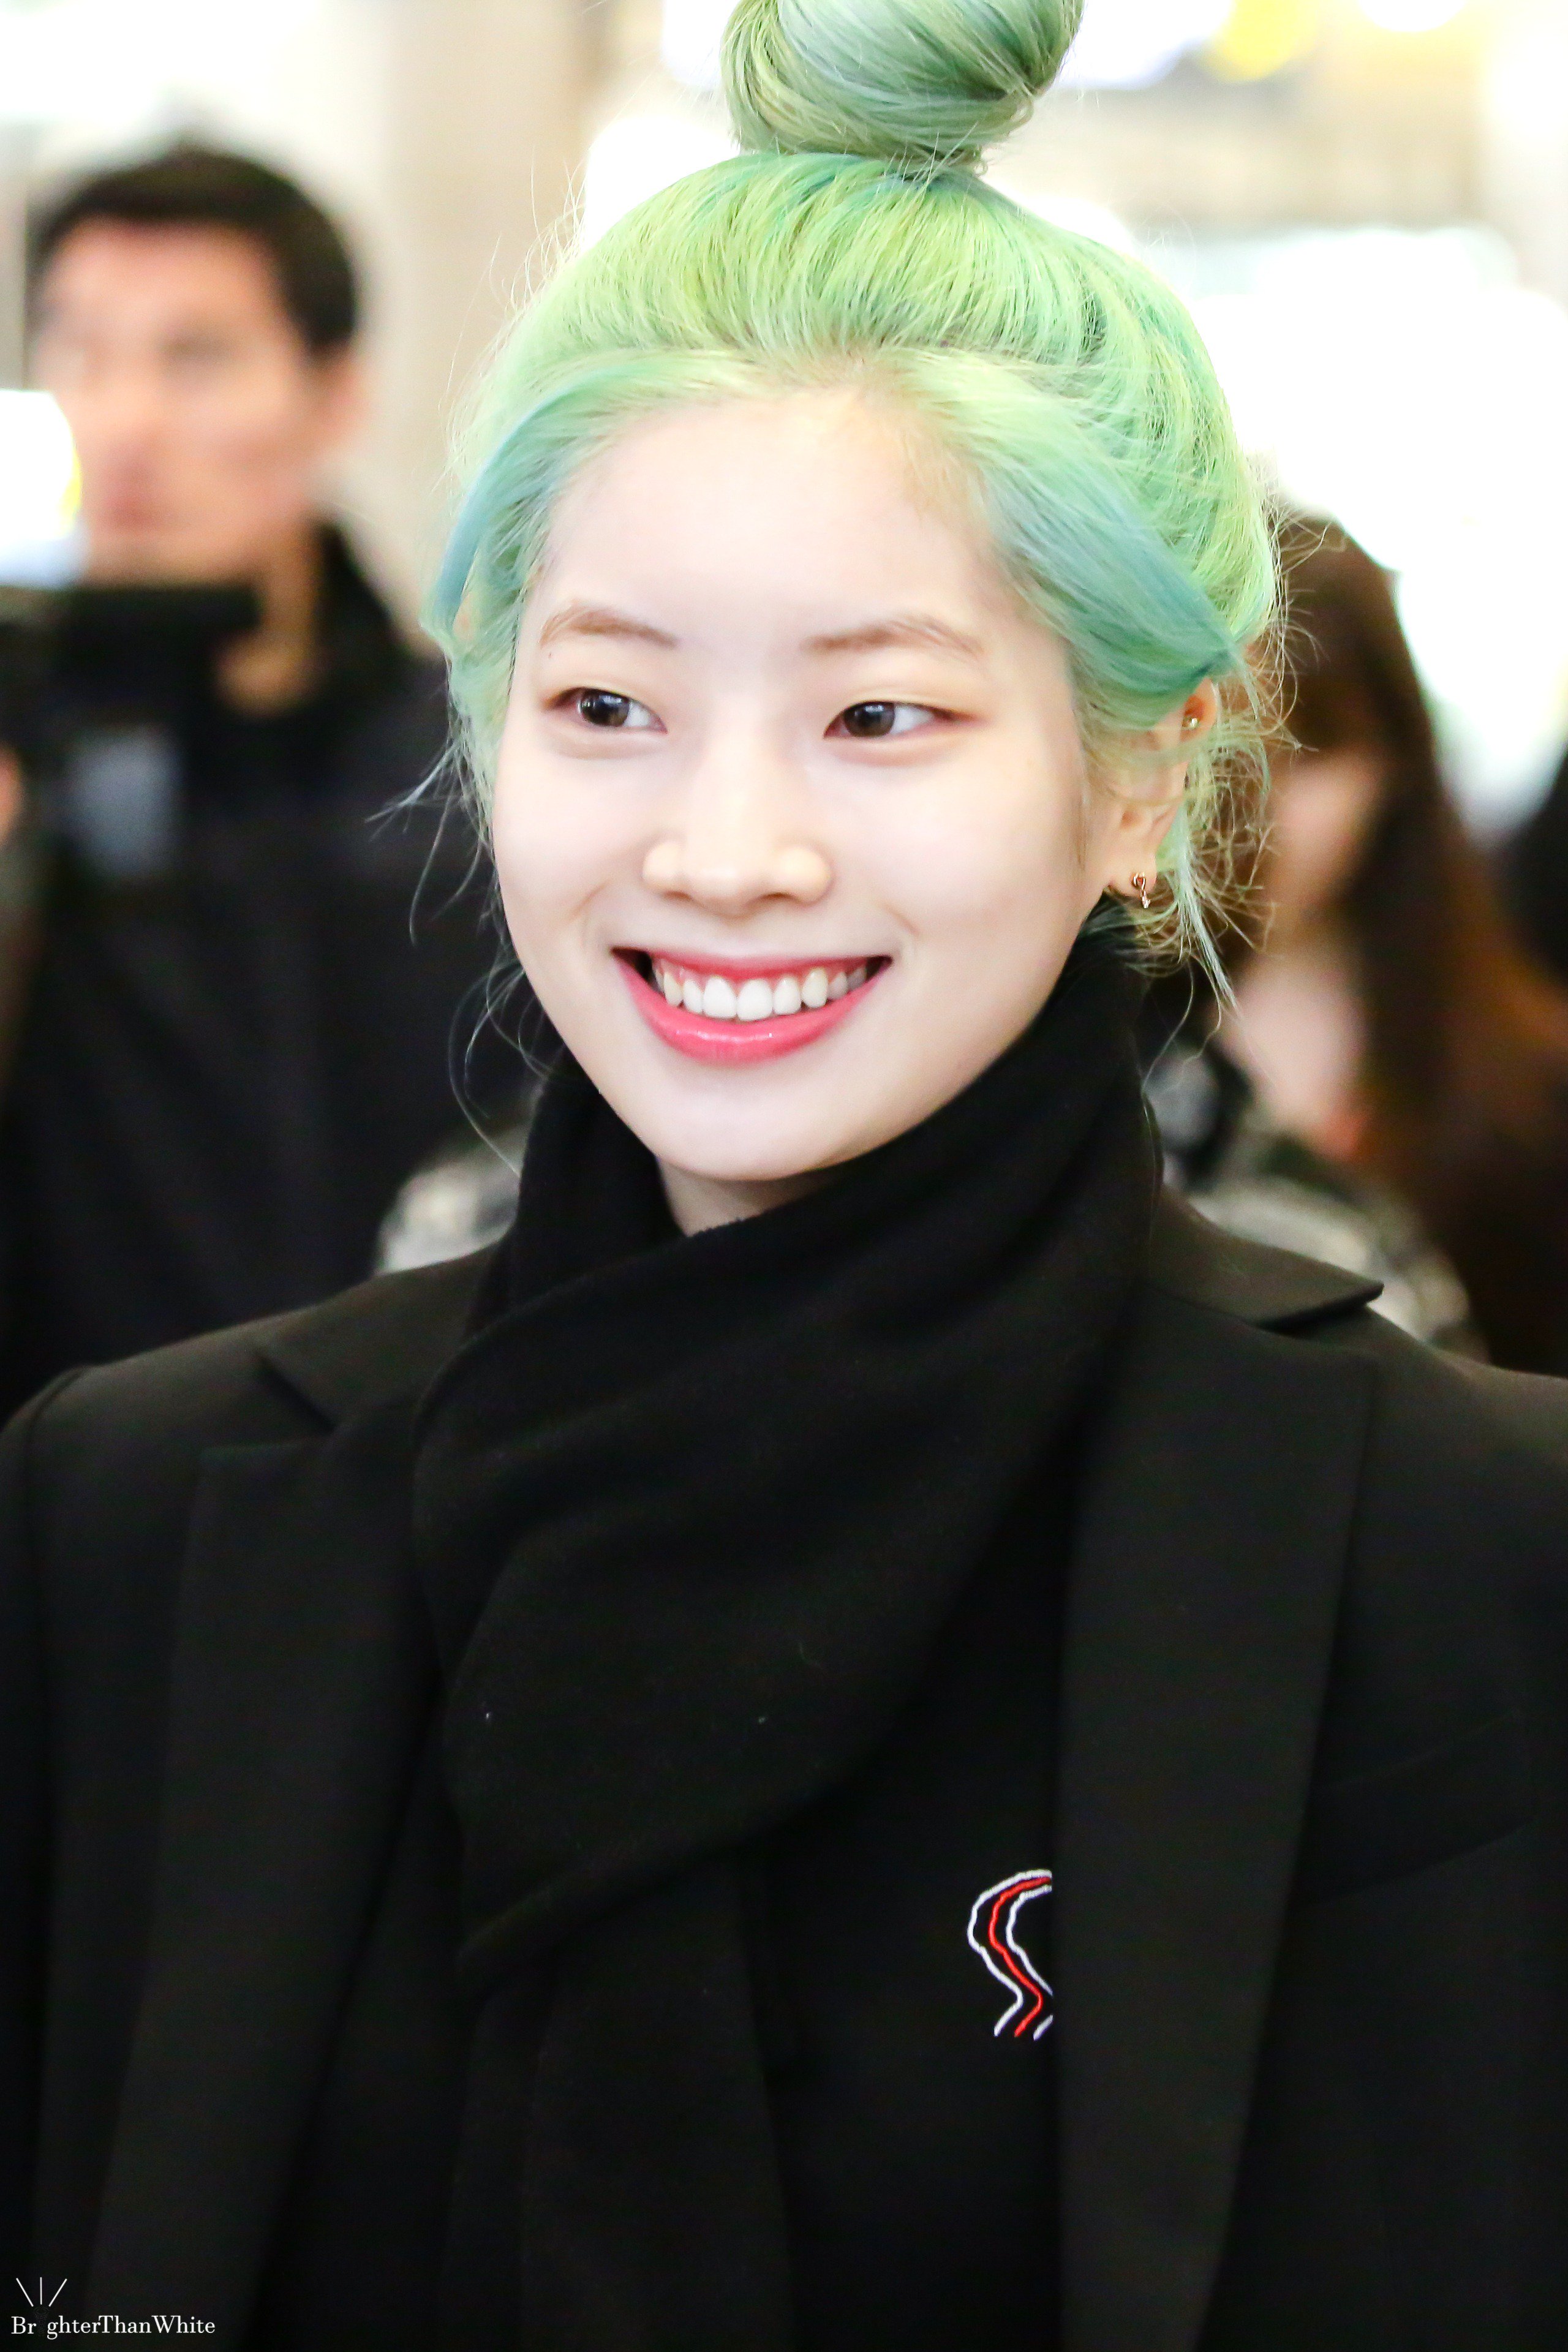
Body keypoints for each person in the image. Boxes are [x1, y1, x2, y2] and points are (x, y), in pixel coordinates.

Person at [4, 7, 1568, 2346]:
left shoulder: (1465, 1559)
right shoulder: (138, 1521)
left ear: (1143, 781)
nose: (724, 851)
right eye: (607, 705)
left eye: (880, 714)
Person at [0, 145, 501, 1412]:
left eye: (195, 358)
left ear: (332, 395)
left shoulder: (475, 772)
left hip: (407, 1464)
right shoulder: (27, 759)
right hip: (67, 1472)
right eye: (80, 351)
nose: (124, 420)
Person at [1223, 514, 1568, 1373]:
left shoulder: (1525, 1086)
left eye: (1307, 753)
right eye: (1222, 753)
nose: (1258, 810)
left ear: (1394, 763)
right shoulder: (1089, 1051)